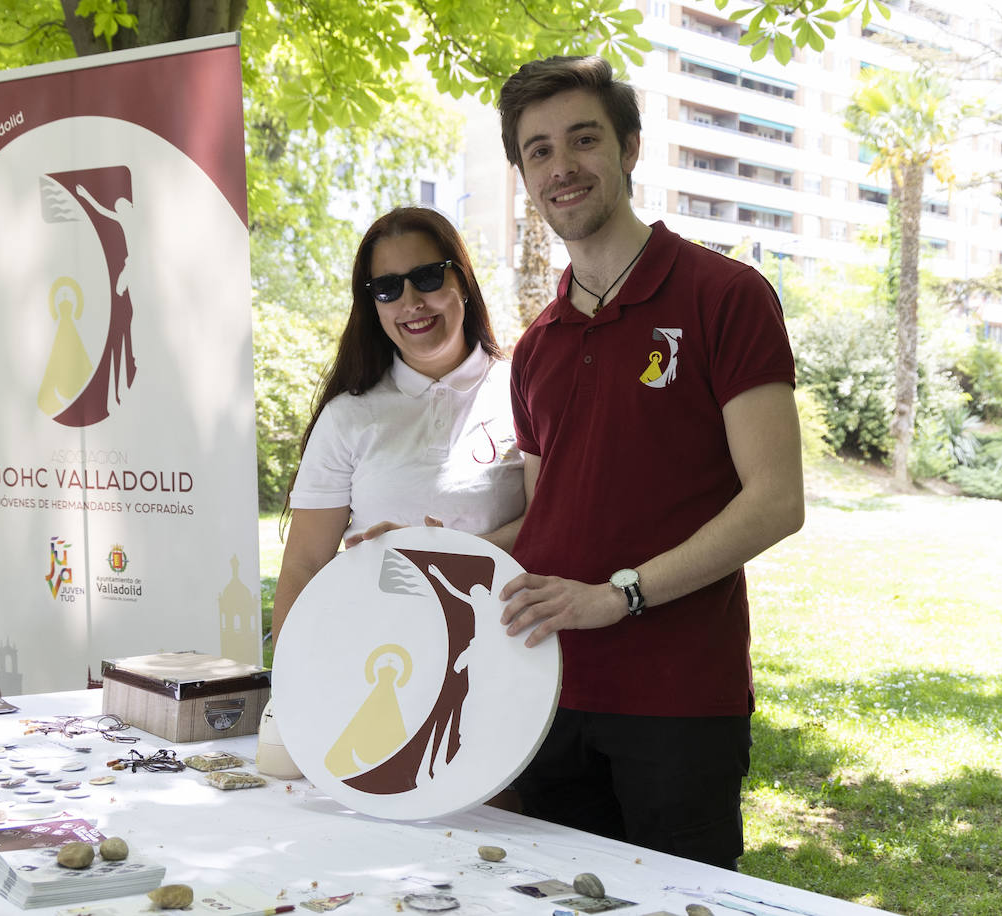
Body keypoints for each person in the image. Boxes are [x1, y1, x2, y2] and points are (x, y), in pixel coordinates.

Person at [494, 56, 805, 870]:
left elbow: (776, 500)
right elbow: (546, 512)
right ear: (523, 174)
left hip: (677, 700)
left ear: (629, 148)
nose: (562, 167)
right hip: (547, 694)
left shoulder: (724, 296)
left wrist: (618, 596)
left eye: (583, 139)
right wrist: (418, 545)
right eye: (537, 151)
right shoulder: (536, 347)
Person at [271, 206, 525, 645]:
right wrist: (292, 686)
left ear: (462, 281)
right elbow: (303, 566)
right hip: (378, 656)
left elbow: (552, 528)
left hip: (506, 653)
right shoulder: (348, 416)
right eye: (387, 288)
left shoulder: (525, 391)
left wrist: (442, 555)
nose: (411, 302)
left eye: (427, 276)